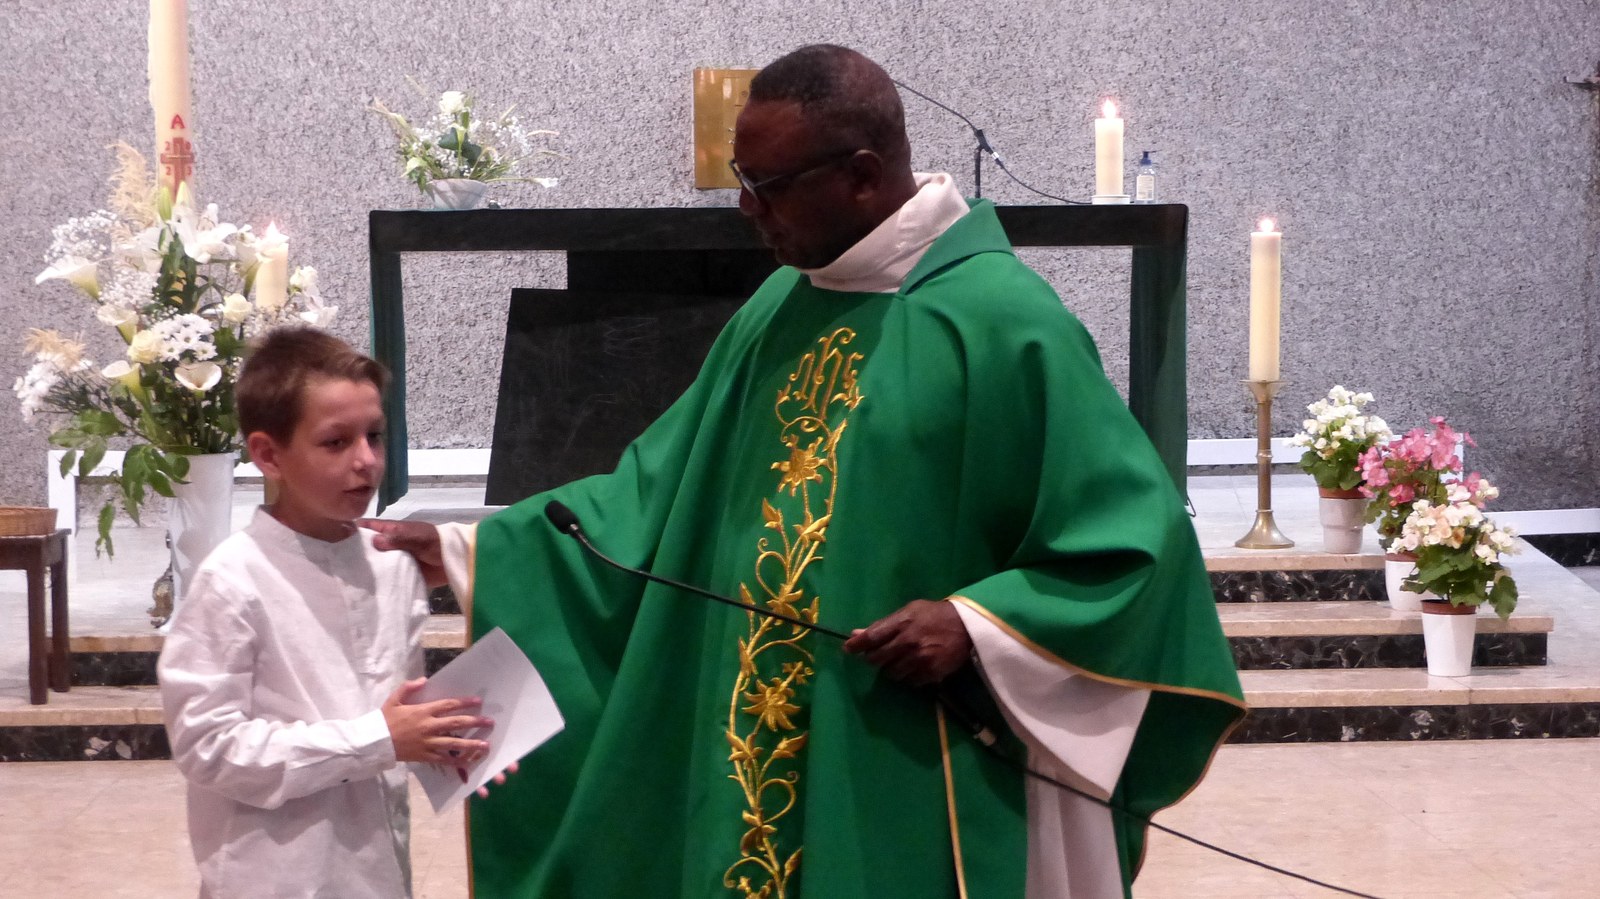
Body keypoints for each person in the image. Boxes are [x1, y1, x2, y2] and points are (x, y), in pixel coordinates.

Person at [370, 44, 1244, 898]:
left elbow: (1136, 546)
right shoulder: (781, 304)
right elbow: (657, 490)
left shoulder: (1003, 323)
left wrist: (974, 623)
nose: (746, 208)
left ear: (862, 175)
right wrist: (471, 547)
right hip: (751, 734)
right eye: (741, 179)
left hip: (907, 751)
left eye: (768, 184)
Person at [158, 326, 496, 899]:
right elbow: (208, 747)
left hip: (376, 866)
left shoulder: (391, 565)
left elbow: (396, 709)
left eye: (375, 436)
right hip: (273, 875)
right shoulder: (232, 580)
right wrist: (377, 739)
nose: (366, 461)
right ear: (269, 455)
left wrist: (445, 746)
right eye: (336, 442)